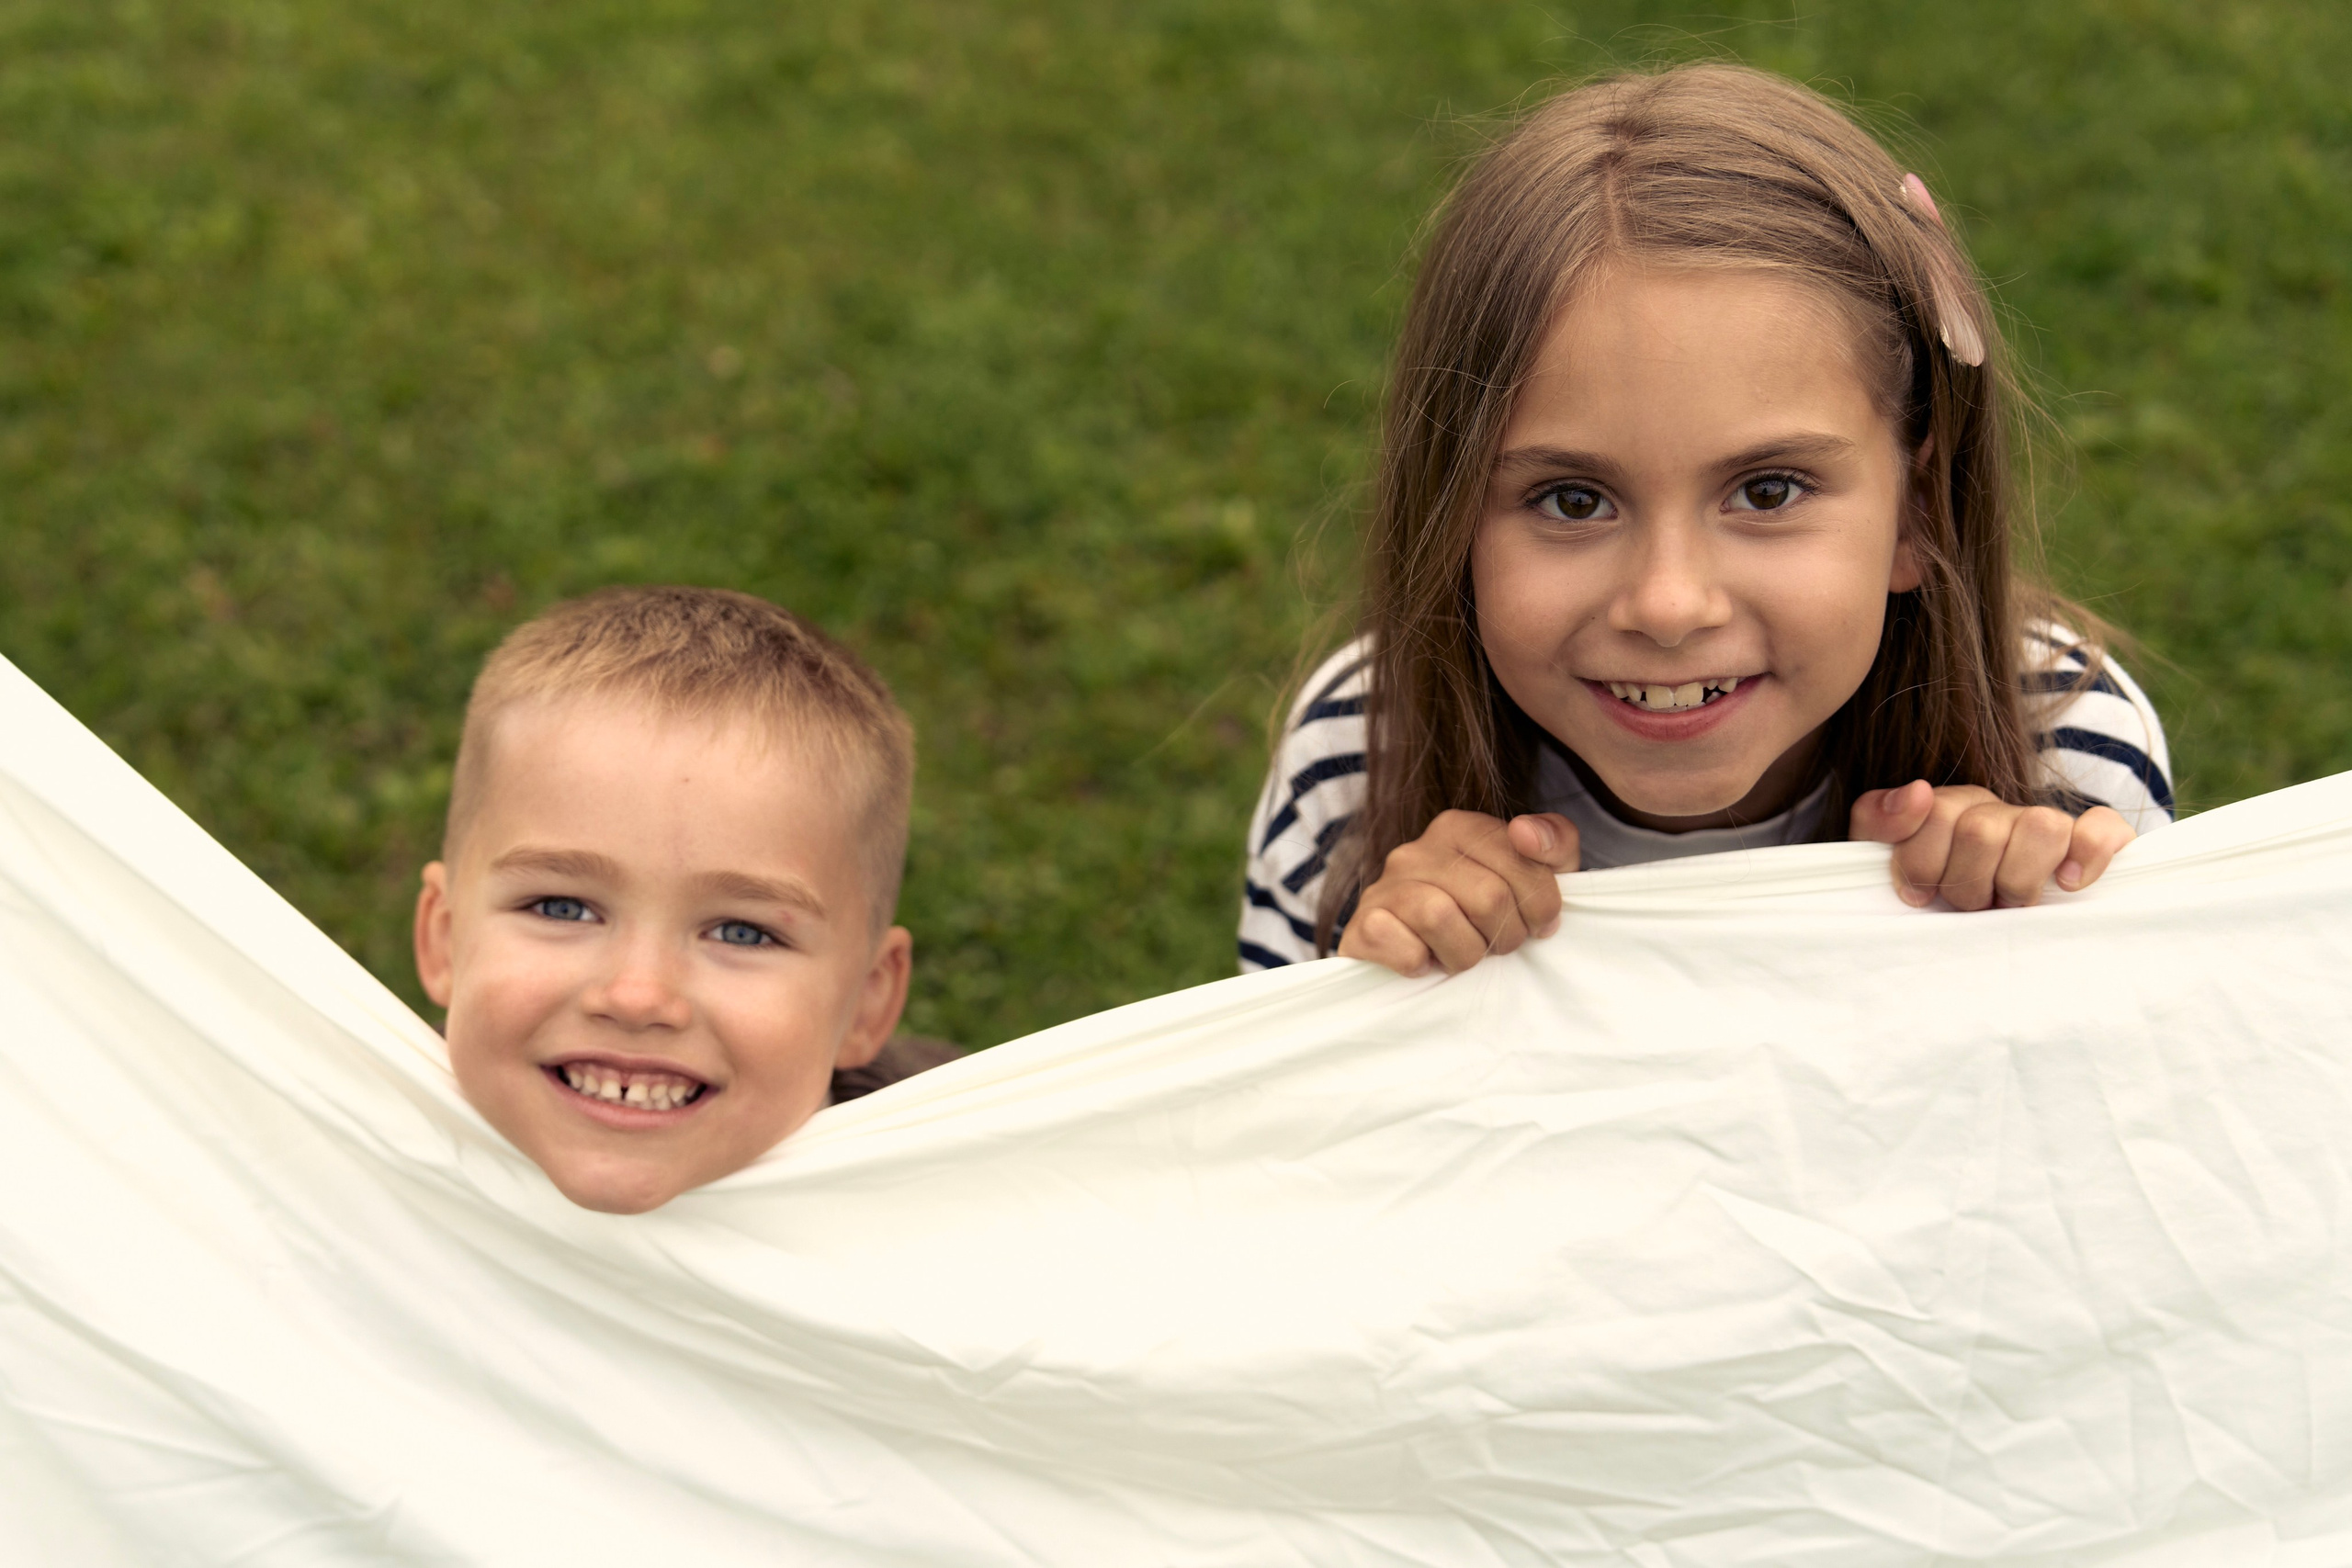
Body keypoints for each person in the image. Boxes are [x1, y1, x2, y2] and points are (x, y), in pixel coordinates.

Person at [1239, 62, 2174, 977]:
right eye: (1573, 500)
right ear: (1449, 511)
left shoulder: (2063, 745)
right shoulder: (1359, 758)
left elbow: (2139, 1104)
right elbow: (1276, 1122)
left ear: (1916, 511)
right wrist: (1370, 996)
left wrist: (2033, 938)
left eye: (1766, 492)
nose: (1668, 605)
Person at [413, 584, 944, 1213]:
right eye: (563, 907)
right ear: (445, 938)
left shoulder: (966, 1202)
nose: (637, 996)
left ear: (866, 1001)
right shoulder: (336, 1153)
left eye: (741, 931)